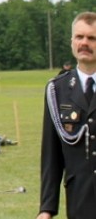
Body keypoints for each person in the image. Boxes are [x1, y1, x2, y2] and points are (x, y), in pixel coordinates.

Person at [39, 12, 96, 219]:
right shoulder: (57, 90)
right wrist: (47, 208)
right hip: (79, 200)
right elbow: (51, 155)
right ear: (72, 42)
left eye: (92, 38)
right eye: (79, 37)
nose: (84, 43)